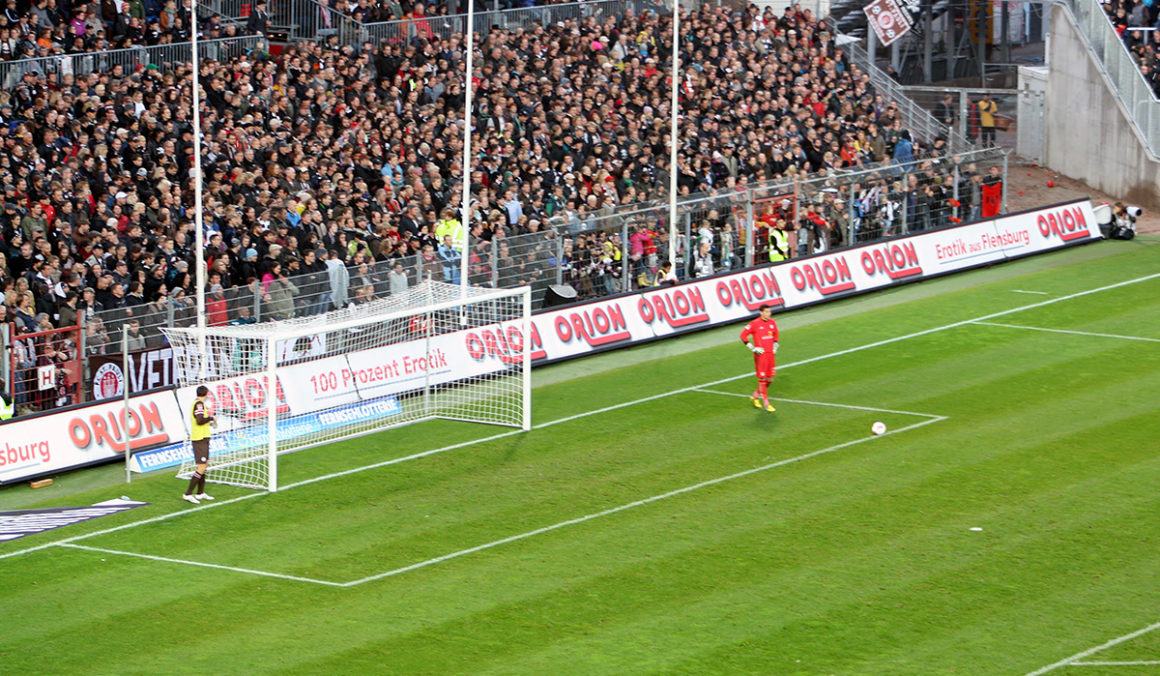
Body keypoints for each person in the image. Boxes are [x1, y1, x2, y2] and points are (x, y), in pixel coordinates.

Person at [740, 304, 779, 412]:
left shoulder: (772, 322)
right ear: (761, 312)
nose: (768, 314)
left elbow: (776, 336)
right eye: (766, 312)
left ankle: (755, 396)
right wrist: (753, 348)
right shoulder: (755, 323)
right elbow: (743, 335)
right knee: (762, 379)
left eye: (769, 312)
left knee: (770, 379)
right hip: (761, 355)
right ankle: (767, 403)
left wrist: (775, 345)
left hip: (771, 354)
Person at [183, 385, 217, 505]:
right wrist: (211, 418)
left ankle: (200, 493)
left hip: (202, 438)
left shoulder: (198, 404)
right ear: (207, 394)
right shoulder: (199, 405)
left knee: (204, 466)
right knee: (201, 467)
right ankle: (187, 494)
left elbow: (201, 420)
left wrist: (209, 421)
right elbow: (200, 420)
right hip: (199, 439)